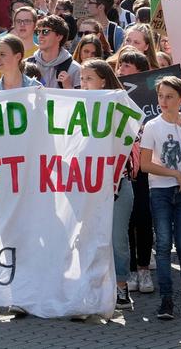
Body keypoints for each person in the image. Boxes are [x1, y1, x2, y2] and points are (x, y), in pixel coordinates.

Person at [140, 76, 181, 320]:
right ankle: (166, 299)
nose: (163, 101)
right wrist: (174, 173)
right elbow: (144, 164)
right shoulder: (152, 126)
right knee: (163, 244)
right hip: (161, 191)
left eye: (169, 96)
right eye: (160, 96)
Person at [80, 58, 134, 310]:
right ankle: (91, 288)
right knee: (87, 238)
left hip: (117, 183)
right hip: (86, 184)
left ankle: (121, 288)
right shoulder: (75, 107)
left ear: (103, 80)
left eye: (89, 78)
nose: (84, 83)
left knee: (117, 239)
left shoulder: (120, 105)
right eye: (81, 79)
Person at [26, 15, 80, 88]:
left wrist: (68, 87)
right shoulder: (26, 65)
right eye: (38, 32)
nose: (40, 36)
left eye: (45, 31)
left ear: (59, 37)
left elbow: (82, 98)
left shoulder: (74, 69)